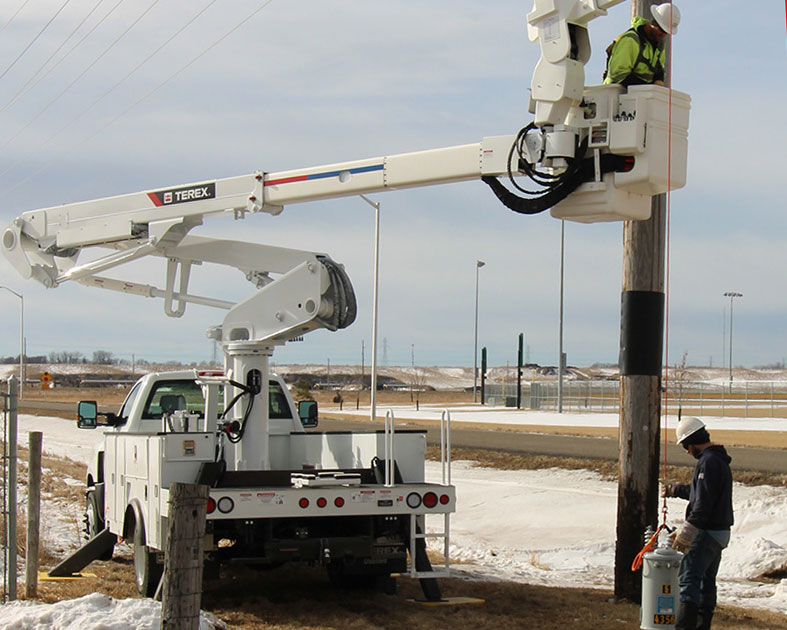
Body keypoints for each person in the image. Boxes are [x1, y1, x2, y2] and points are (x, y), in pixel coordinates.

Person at [664, 416, 734, 630]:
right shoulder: (718, 460)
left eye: (686, 446)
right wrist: (676, 490)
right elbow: (701, 493)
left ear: (692, 442)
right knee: (706, 583)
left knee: (689, 581)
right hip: (720, 533)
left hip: (706, 532)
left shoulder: (708, 462)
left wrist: (687, 532)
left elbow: (702, 505)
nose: (687, 451)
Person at [603, 3, 681, 86]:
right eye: (662, 30)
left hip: (639, 94)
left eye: (666, 32)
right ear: (653, 23)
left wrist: (658, 80)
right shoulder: (631, 40)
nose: (663, 35)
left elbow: (658, 69)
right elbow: (618, 74)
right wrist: (646, 86)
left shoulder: (659, 45)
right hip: (614, 92)